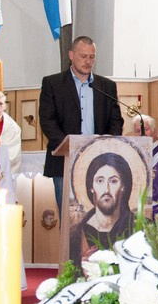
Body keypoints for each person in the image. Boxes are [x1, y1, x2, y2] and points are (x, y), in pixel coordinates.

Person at [39, 36, 125, 208]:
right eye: (83, 56)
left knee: (98, 215)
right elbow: (47, 120)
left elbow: (116, 121)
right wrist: (71, 146)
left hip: (100, 161)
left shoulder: (106, 86)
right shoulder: (53, 83)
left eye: (92, 57)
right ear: (71, 55)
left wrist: (106, 145)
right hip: (65, 161)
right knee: (68, 216)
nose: (88, 61)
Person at [71, 153, 135, 258]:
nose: (106, 190)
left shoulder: (138, 227)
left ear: (123, 186)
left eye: (113, 181)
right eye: (100, 181)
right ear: (91, 187)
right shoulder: (77, 233)